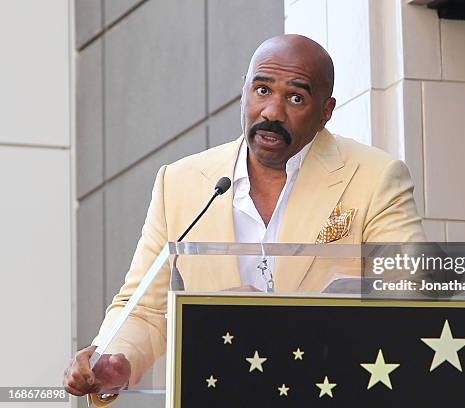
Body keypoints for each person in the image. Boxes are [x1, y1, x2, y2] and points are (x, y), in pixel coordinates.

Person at [63, 34, 425, 405]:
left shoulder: (375, 177)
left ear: (326, 111)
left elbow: (405, 301)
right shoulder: (180, 183)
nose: (272, 112)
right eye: (262, 90)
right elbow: (145, 307)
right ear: (244, 90)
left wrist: (264, 319)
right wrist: (115, 359)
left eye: (296, 98)